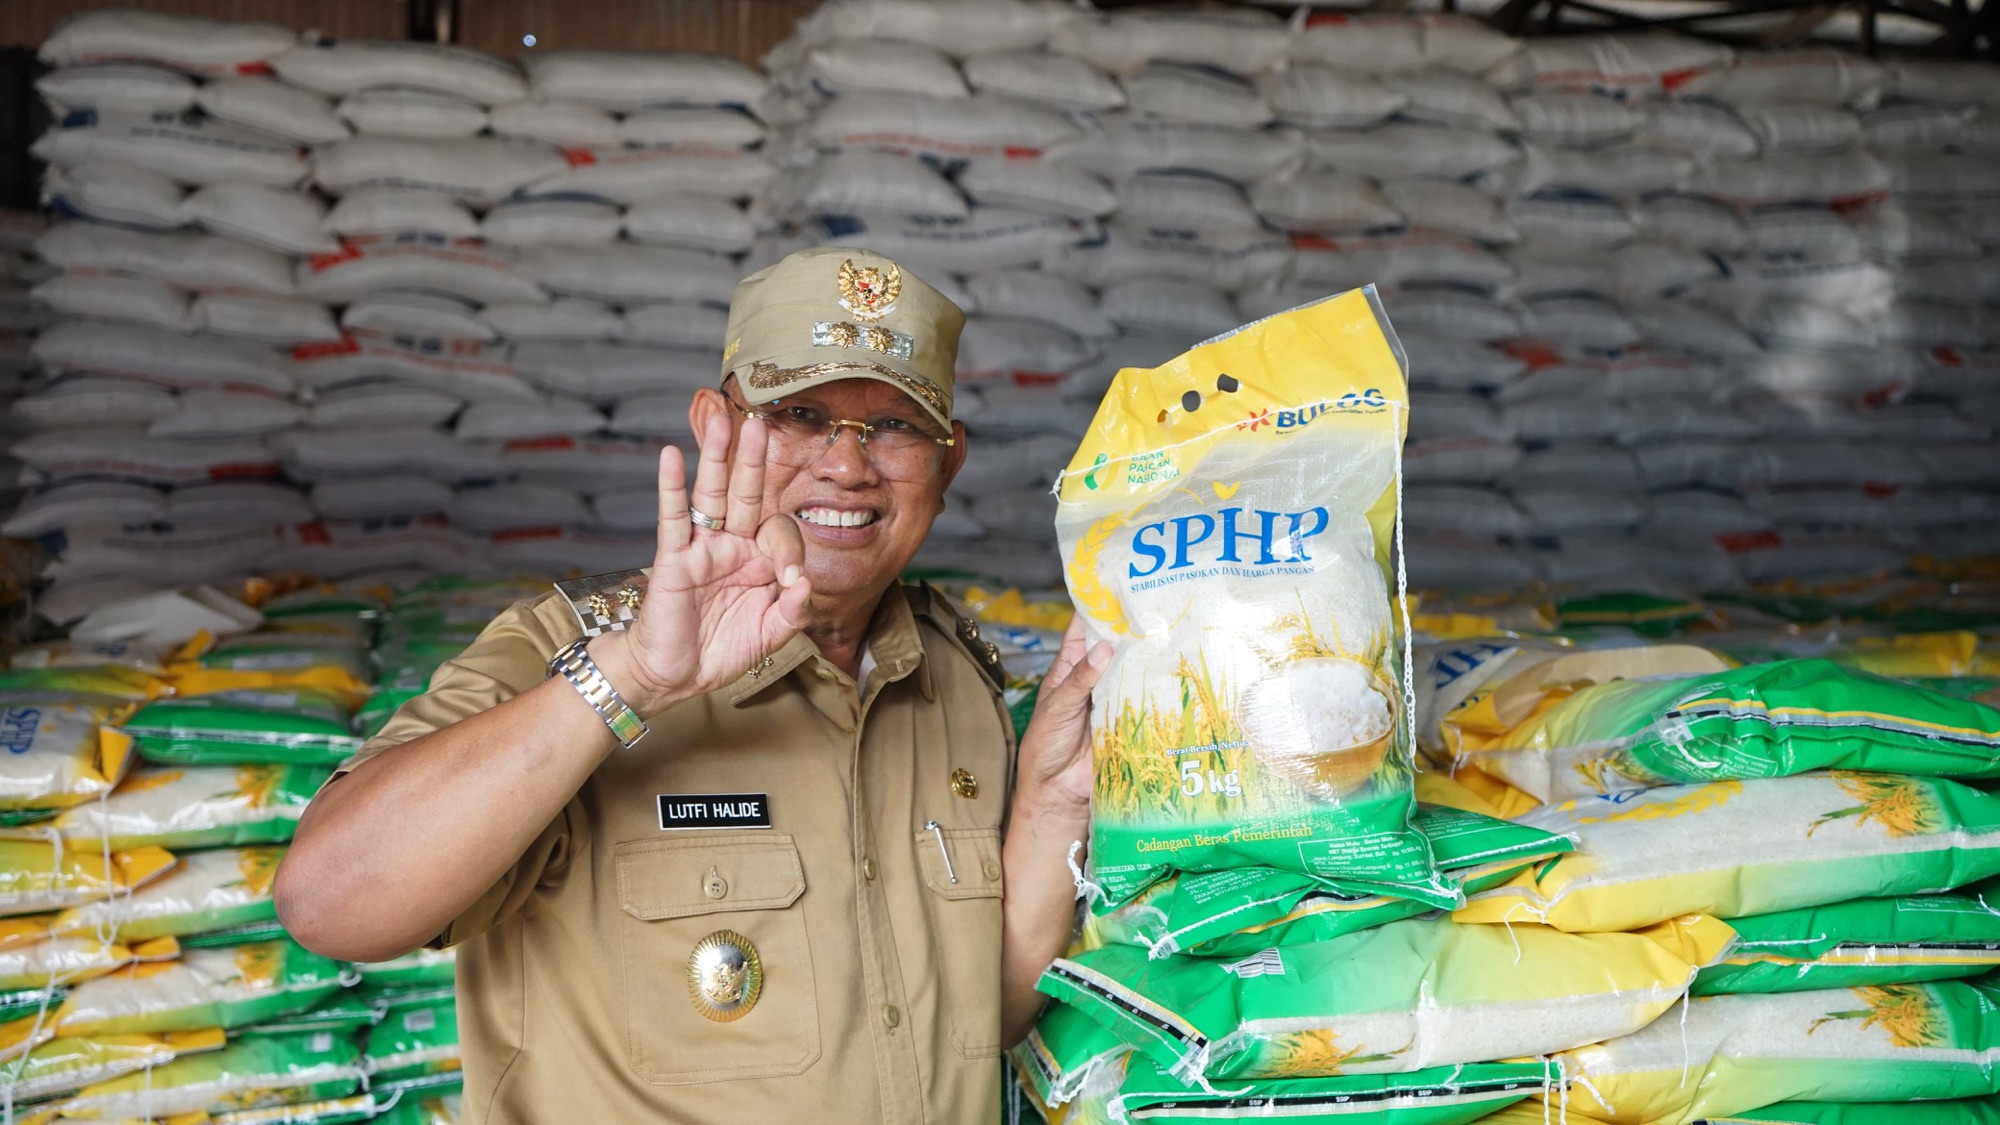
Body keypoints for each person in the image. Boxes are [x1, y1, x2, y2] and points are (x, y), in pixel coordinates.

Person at [275, 247, 1108, 1123]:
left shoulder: (955, 679)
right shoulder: (567, 653)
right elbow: (327, 904)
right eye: (800, 414)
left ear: (950, 462)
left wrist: (1053, 799)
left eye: (896, 426)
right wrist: (632, 674)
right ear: (717, 425)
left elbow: (980, 1019)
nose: (848, 466)